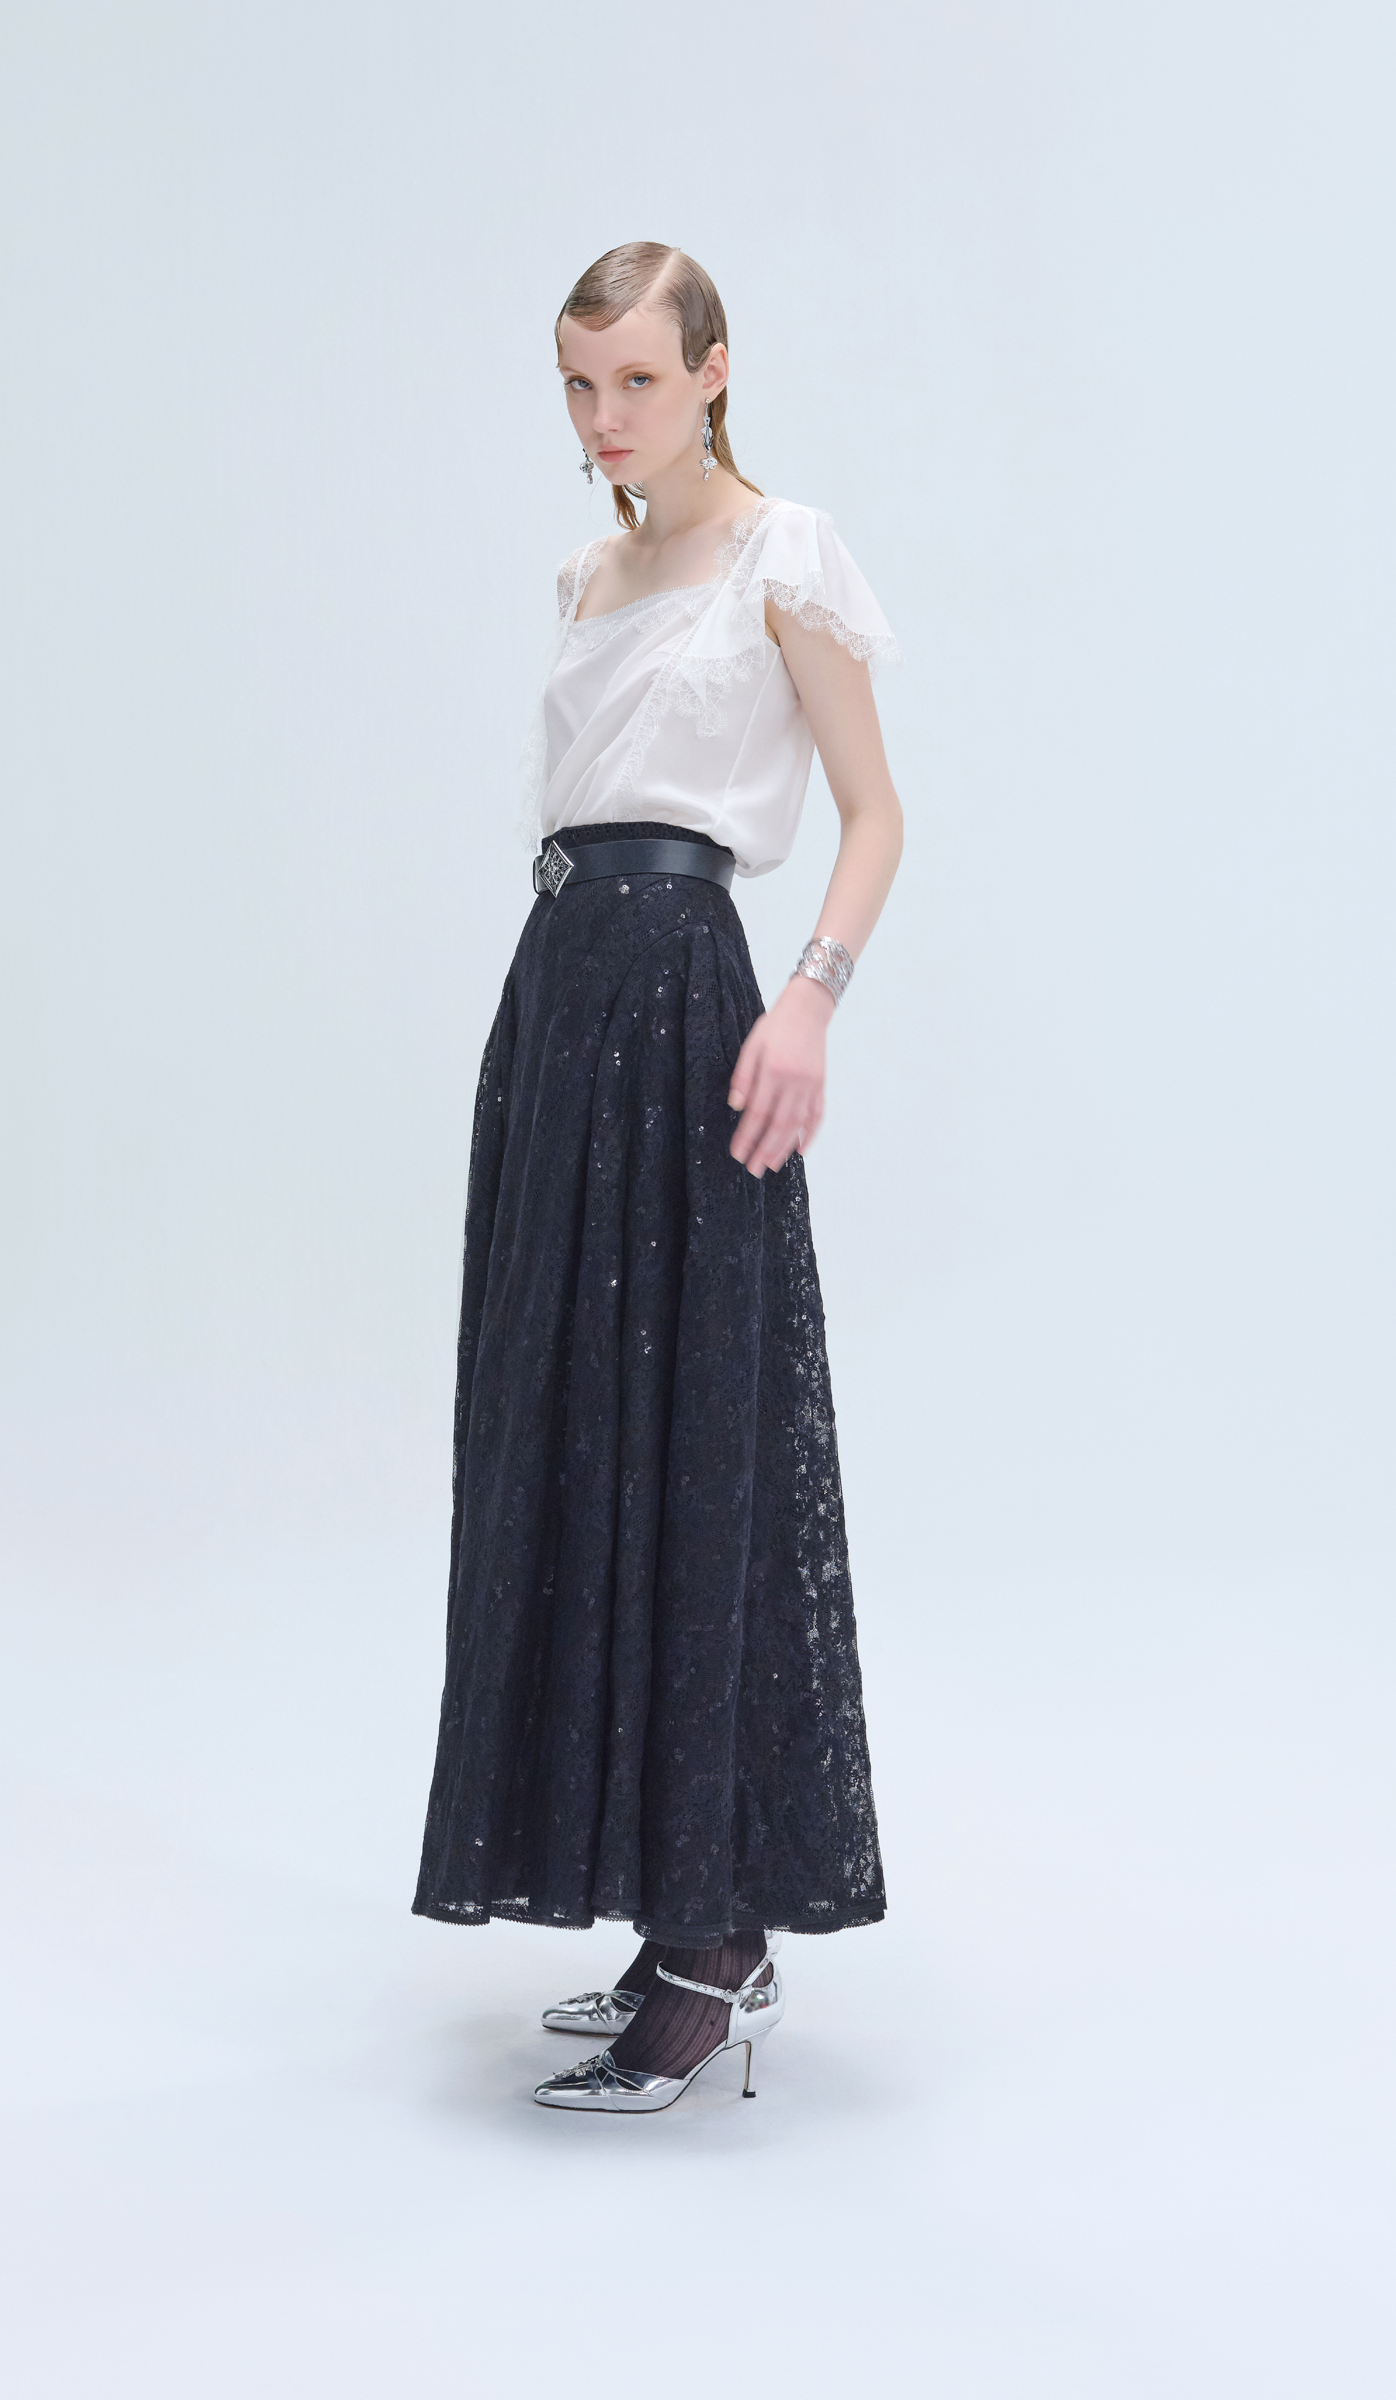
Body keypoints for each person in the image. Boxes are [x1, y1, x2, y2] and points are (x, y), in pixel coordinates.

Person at [412, 241, 903, 2112]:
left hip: (695, 1004)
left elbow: (876, 812)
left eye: (634, 378)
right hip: (557, 1003)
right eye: (576, 382)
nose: (602, 415)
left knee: (696, 1438)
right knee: (564, 1435)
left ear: (711, 371)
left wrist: (812, 1000)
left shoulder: (789, 556)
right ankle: (659, 1903)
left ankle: (716, 1936)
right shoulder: (587, 573)